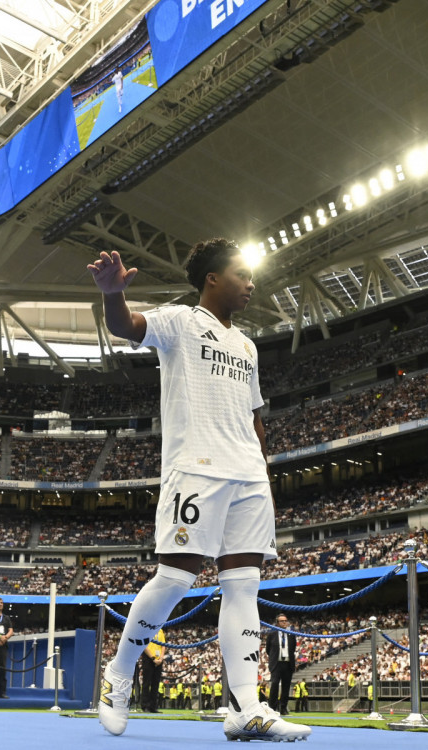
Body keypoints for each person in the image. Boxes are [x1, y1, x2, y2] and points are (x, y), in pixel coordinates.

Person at [88, 241, 309, 742]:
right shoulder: (181, 322)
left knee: (244, 586)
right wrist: (112, 295)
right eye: (241, 275)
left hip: (249, 476)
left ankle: (247, 707)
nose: (251, 284)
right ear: (212, 279)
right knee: (174, 578)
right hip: (197, 469)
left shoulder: (248, 346)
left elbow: (255, 416)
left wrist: (263, 469)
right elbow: (127, 327)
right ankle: (117, 677)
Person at [264, 614, 296, 715]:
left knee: (286, 686)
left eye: (286, 621)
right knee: (274, 685)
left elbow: (293, 648)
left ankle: (283, 707)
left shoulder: (291, 634)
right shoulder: (272, 634)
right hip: (276, 664)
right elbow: (268, 650)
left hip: (287, 663)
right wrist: (275, 658)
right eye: (282, 621)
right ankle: (272, 708)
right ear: (277, 623)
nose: (284, 623)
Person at [139, 629, 165, 713]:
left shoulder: (160, 630)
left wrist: (161, 658)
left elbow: (163, 645)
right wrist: (153, 658)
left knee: (156, 683)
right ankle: (145, 706)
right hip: (148, 658)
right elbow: (144, 645)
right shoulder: (146, 629)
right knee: (147, 683)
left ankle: (153, 706)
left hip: (159, 659)